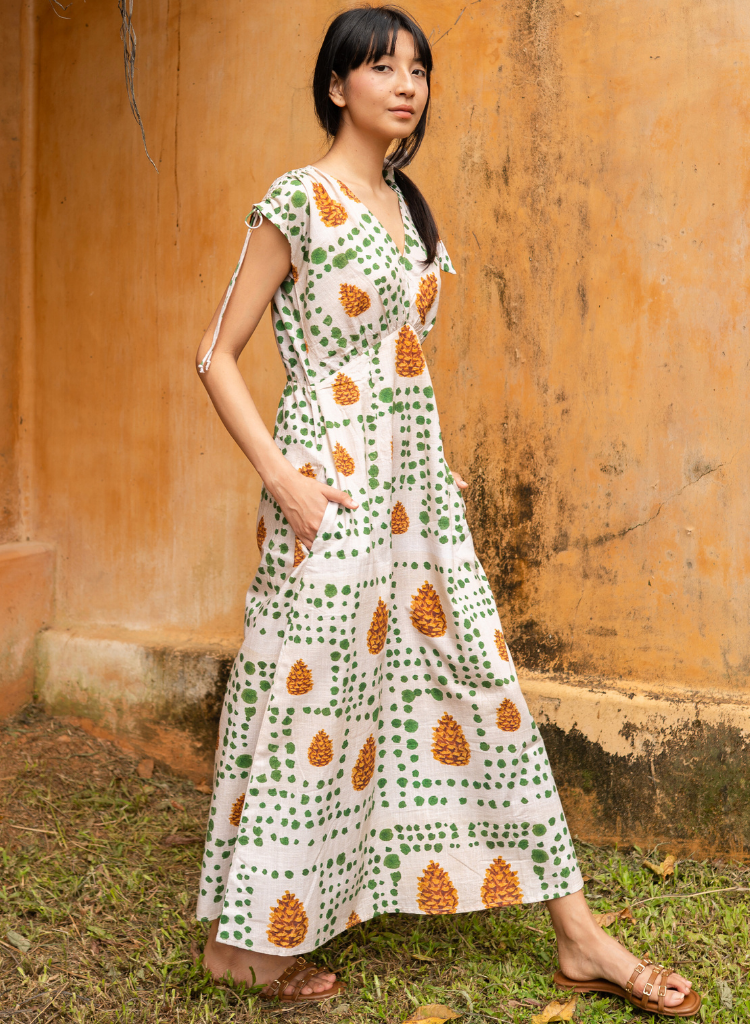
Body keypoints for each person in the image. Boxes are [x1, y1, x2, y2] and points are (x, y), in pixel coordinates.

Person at [194, 5, 699, 1015]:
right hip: (329, 497)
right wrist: (284, 479)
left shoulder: (409, 210)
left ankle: (580, 936)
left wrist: (432, 467)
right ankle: (242, 944)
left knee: (484, 683)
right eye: (382, 67)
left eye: (417, 69)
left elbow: (404, 368)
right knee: (313, 704)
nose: (405, 84)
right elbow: (215, 354)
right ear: (336, 85)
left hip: (416, 499)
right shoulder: (299, 200)